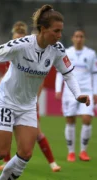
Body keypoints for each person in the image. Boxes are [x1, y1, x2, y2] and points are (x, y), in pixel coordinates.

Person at [0, 4, 90, 180]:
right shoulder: (22, 44)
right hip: (5, 101)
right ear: (43, 29)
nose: (60, 35)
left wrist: (78, 94)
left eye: (61, 31)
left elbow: (67, 73)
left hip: (27, 106)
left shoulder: (57, 49)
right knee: (1, 151)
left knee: (25, 153)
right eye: (56, 31)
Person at [0, 21, 61, 172]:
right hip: (11, 101)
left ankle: (52, 163)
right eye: (15, 39)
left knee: (37, 133)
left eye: (20, 38)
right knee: (6, 130)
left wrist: (35, 100)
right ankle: (6, 162)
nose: (16, 41)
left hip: (28, 103)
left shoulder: (32, 53)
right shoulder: (10, 57)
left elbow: (39, 80)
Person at [55, 29, 97, 162]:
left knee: (87, 119)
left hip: (86, 90)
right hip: (69, 91)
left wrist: (95, 92)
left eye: (81, 36)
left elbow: (95, 74)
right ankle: (71, 152)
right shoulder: (66, 53)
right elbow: (59, 72)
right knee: (70, 120)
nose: (79, 38)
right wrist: (58, 89)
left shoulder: (90, 54)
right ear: (73, 38)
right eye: (77, 36)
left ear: (84, 39)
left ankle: (83, 151)